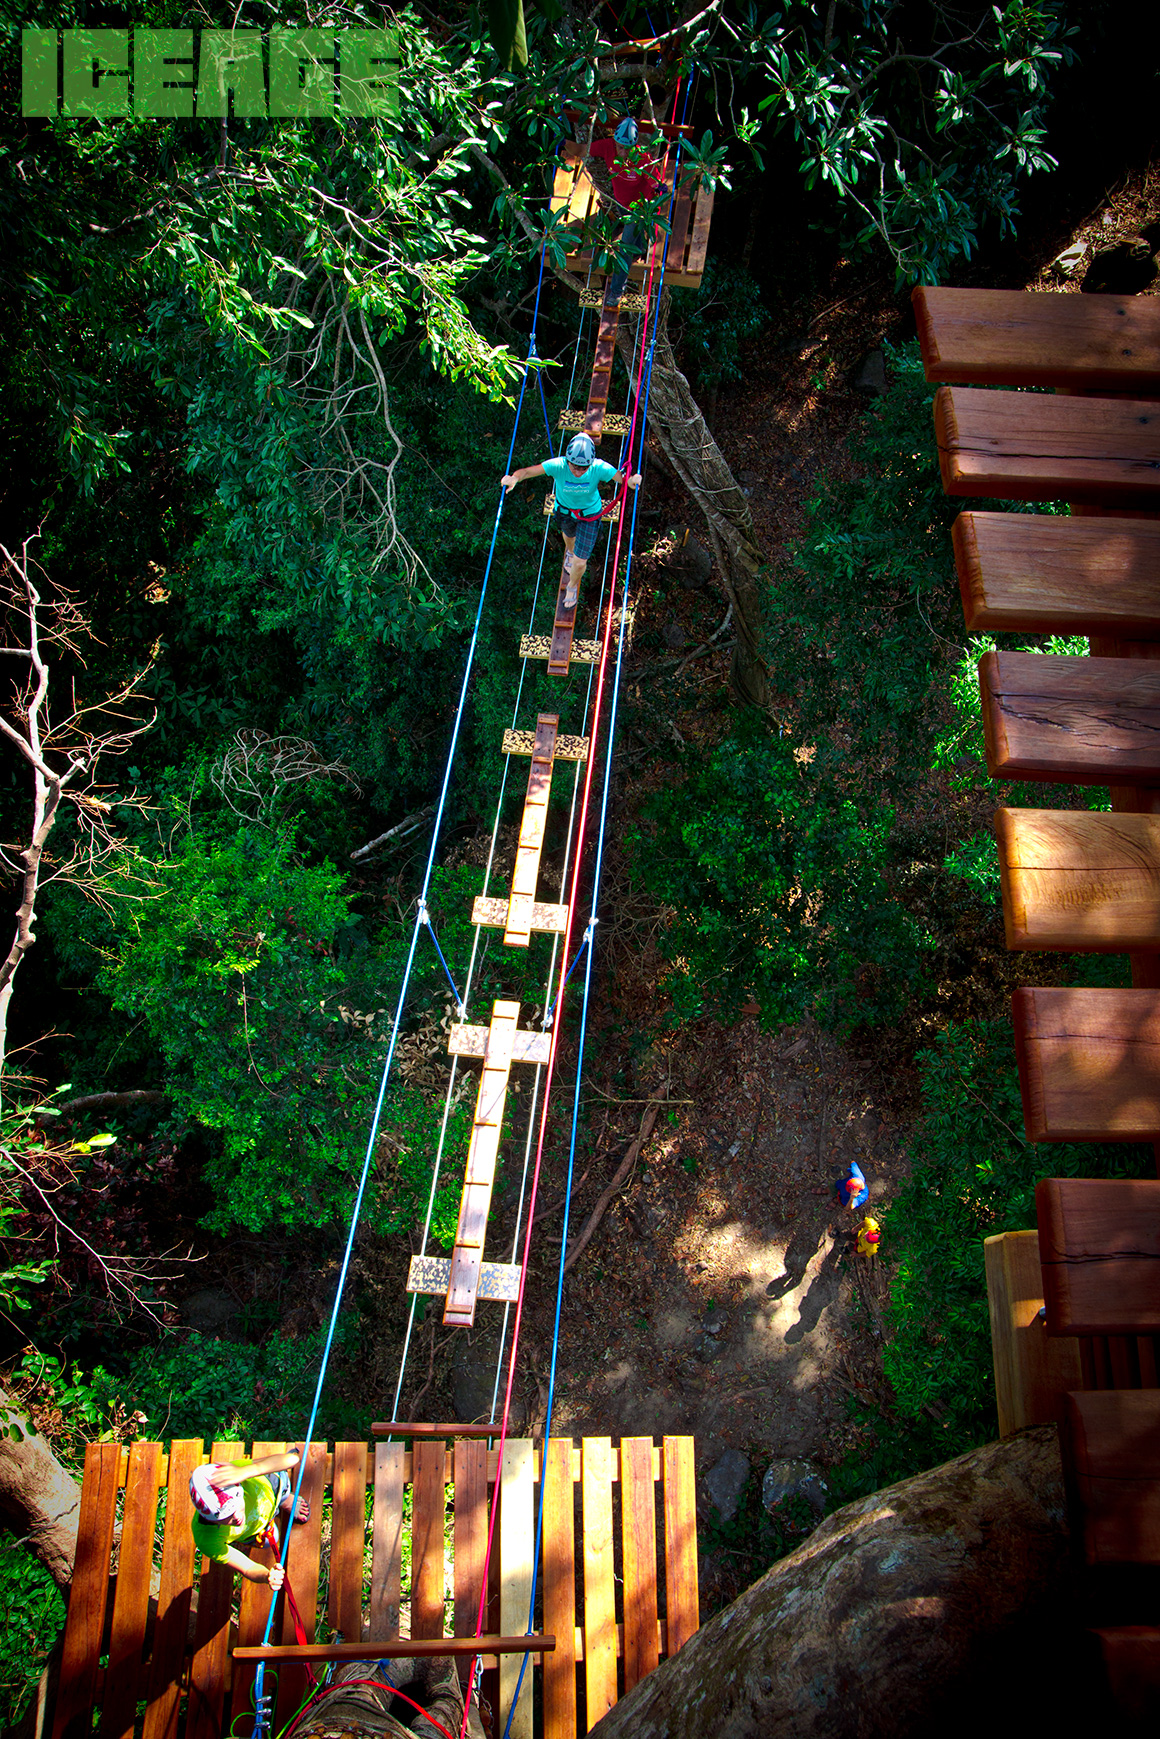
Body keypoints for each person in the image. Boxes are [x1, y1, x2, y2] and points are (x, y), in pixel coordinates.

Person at [501, 433, 641, 609]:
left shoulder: (599, 467)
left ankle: (572, 586)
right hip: (564, 511)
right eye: (574, 466)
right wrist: (514, 478)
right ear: (568, 461)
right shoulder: (558, 465)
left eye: (583, 468)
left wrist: (632, 480)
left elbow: (623, 479)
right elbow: (528, 471)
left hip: (589, 514)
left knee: (580, 561)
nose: (578, 472)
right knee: (568, 536)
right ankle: (570, 551)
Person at [189, 1446, 309, 1588]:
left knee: (282, 1481)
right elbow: (247, 1568)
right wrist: (267, 1576)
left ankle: (285, 1499)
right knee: (272, 1538)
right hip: (255, 1526)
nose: (236, 1516)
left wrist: (246, 1471)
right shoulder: (206, 1539)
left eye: (236, 1505)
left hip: (269, 1488)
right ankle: (270, 1517)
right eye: (226, 1516)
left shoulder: (231, 1474)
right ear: (211, 1518)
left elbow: (292, 1459)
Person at [587, 116, 665, 305]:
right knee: (633, 244)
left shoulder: (642, 159)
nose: (622, 152)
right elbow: (584, 149)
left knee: (625, 249)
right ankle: (640, 249)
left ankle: (616, 291)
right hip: (621, 205)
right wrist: (564, 142)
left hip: (638, 209)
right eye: (620, 147)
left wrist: (660, 190)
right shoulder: (607, 147)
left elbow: (655, 182)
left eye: (627, 148)